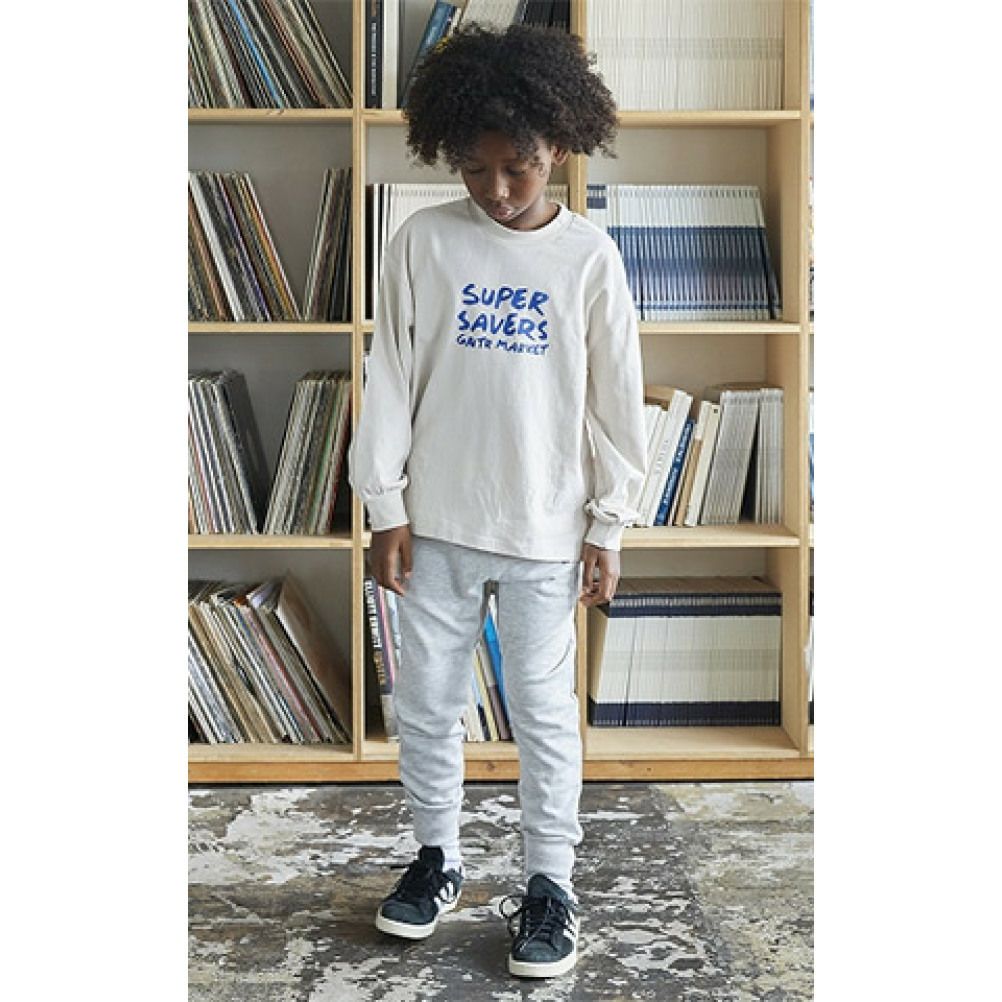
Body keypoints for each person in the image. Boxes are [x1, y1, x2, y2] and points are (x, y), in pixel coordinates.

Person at [347, 20, 646, 980]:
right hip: (434, 524)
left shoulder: (589, 259)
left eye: (518, 167)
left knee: (544, 711)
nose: (499, 189)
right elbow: (391, 377)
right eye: (476, 170)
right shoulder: (423, 242)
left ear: (558, 143)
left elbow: (616, 402)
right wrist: (384, 506)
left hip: (544, 528)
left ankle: (550, 884)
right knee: (427, 700)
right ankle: (435, 857)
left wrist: (607, 526)